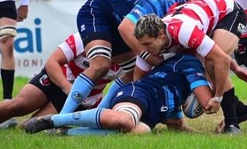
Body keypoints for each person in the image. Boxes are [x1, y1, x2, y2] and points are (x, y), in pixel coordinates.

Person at [58, 0, 187, 116]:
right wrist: (147, 56)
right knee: (100, 65)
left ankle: (98, 115)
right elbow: (125, 28)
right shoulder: (156, 4)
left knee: (135, 75)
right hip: (99, 12)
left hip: (120, 20)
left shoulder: (181, 15)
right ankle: (60, 119)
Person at [133, 0, 247, 134]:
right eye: (142, 45)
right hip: (198, 20)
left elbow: (221, 59)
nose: (145, 50)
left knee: (211, 64)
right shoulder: (154, 43)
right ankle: (241, 110)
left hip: (228, 12)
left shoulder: (184, 31)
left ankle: (232, 124)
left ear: (160, 35)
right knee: (202, 66)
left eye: (147, 44)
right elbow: (139, 81)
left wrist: (218, 97)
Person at [24, 53, 214, 136]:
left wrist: (210, 135)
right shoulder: (190, 62)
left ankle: (67, 133)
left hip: (150, 114)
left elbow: (178, 127)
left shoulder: (178, 95)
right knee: (125, 121)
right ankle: (55, 120)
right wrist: (217, 98)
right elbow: (205, 100)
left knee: (136, 133)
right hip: (138, 93)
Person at [0, 32, 122, 129]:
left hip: (82, 99)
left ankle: (12, 126)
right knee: (19, 105)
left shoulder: (126, 57)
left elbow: (129, 82)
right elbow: (51, 62)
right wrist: (68, 88)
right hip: (57, 79)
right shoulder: (84, 38)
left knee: (33, 126)